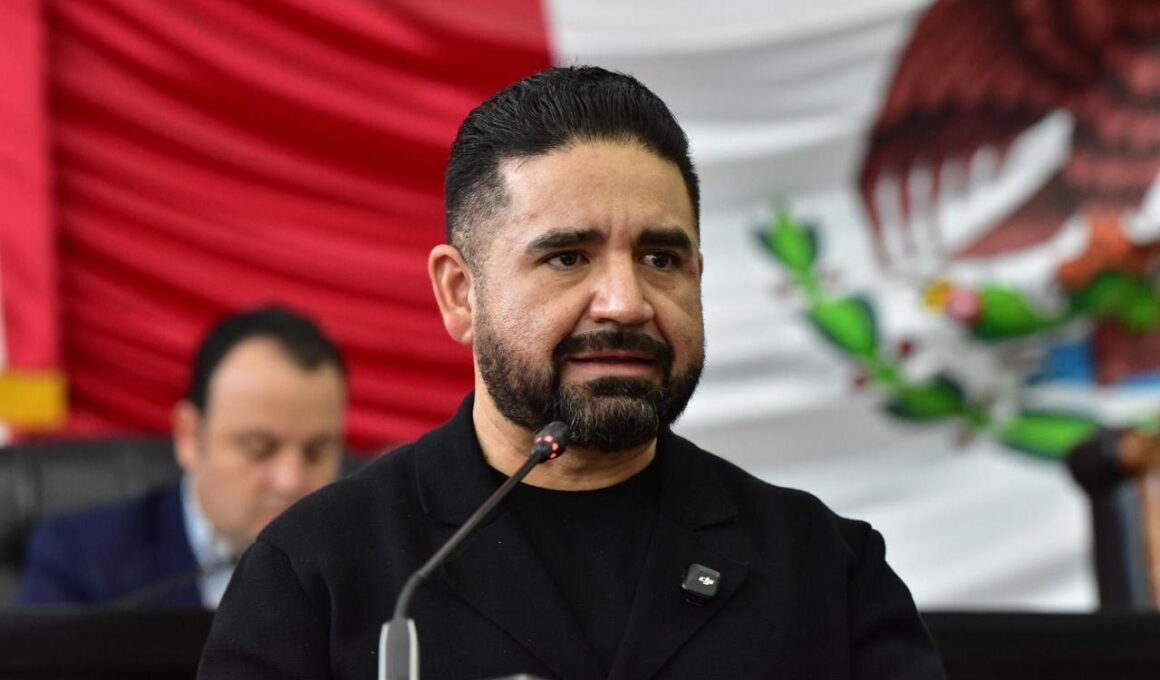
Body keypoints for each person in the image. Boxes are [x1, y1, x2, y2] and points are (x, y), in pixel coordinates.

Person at [199, 67, 944, 679]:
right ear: (460, 294)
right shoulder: (319, 571)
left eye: (660, 258)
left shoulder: (824, 569)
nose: (626, 303)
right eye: (567, 258)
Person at [21, 305, 347, 608]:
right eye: (259, 449)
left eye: (316, 451)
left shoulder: (363, 558)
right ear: (189, 436)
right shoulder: (81, 558)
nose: (290, 481)